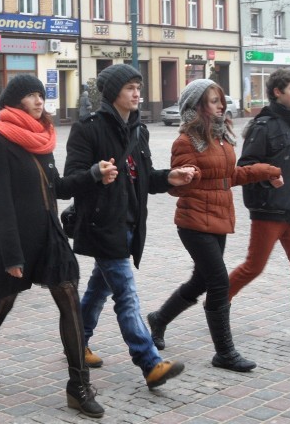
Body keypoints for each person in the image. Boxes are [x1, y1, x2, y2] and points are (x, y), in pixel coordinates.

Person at [0, 75, 116, 419]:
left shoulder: (42, 137)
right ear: (16, 101)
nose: (39, 100)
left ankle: (78, 386)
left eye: (41, 94)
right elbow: (1, 202)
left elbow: (58, 188)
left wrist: (93, 174)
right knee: (3, 300)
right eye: (32, 95)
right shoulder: (1, 141)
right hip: (16, 236)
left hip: (49, 234)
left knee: (69, 299)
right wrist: (12, 255)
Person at [64, 64, 193, 388]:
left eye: (139, 86)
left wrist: (169, 178)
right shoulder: (88, 129)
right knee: (126, 295)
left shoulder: (139, 130)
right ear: (112, 94)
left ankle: (76, 341)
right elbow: (66, 183)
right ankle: (149, 362)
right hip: (102, 224)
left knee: (98, 288)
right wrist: (96, 173)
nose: (137, 93)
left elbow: (144, 178)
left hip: (132, 223)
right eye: (130, 87)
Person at [147, 79, 282, 372]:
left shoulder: (220, 136)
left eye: (220, 99)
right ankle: (225, 352)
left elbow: (229, 175)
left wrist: (267, 171)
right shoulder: (186, 140)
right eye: (212, 100)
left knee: (202, 281)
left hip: (218, 218)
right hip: (194, 221)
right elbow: (177, 184)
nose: (220, 105)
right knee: (219, 282)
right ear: (197, 106)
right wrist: (186, 176)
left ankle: (159, 319)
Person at [229, 69, 290, 352]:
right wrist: (269, 178)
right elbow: (244, 168)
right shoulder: (263, 126)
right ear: (277, 92)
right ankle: (219, 300)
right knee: (253, 267)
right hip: (269, 211)